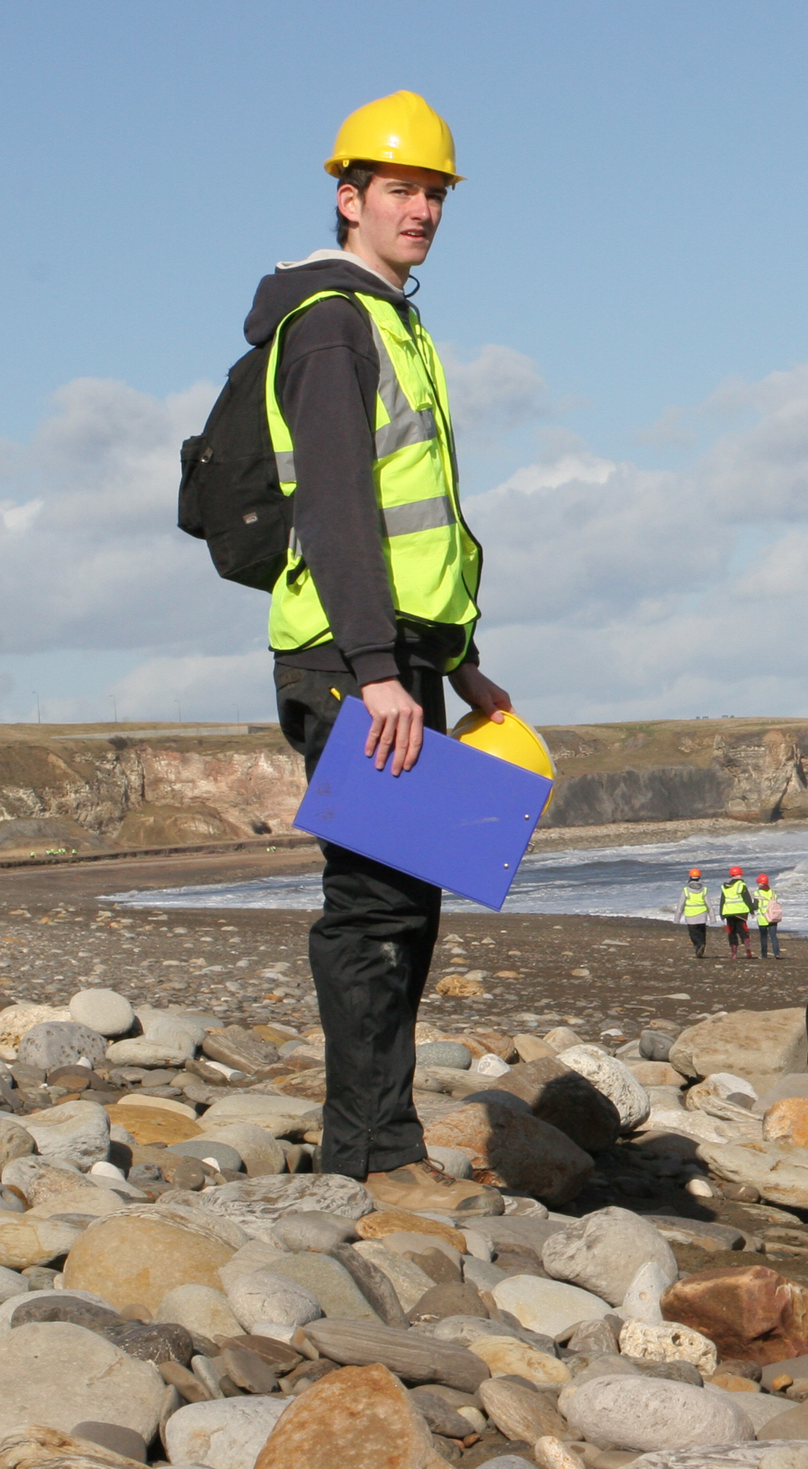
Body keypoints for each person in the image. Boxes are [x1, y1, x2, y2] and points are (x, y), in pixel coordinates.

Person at [253, 90, 509, 1216]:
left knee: (410, 901)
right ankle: (371, 1158)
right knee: (370, 907)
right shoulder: (329, 322)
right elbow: (343, 510)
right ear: (348, 196)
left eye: (435, 192)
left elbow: (421, 515)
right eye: (400, 189)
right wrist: (372, 671)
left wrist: (457, 657)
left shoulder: (397, 319)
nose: (422, 209)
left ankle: (380, 1141)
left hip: (400, 655)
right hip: (348, 658)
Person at [719, 866, 752, 958]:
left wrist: (721, 913)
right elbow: (747, 898)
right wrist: (752, 910)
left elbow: (722, 900)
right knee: (743, 930)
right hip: (740, 912)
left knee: (731, 932)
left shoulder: (725, 886)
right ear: (739, 875)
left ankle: (734, 954)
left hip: (728, 912)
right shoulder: (741, 884)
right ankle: (747, 945)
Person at [681, 868, 710, 959]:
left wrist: (677, 917)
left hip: (691, 916)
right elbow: (709, 903)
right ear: (699, 877)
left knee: (693, 933)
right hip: (702, 915)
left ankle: (698, 945)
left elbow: (681, 904)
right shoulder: (704, 889)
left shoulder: (686, 890)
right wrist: (712, 916)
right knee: (702, 932)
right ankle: (701, 945)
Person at [753, 872, 781, 959]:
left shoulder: (757, 893)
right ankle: (777, 953)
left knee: (764, 937)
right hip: (773, 917)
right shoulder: (772, 893)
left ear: (759, 883)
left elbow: (755, 906)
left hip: (762, 918)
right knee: (773, 936)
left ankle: (764, 954)